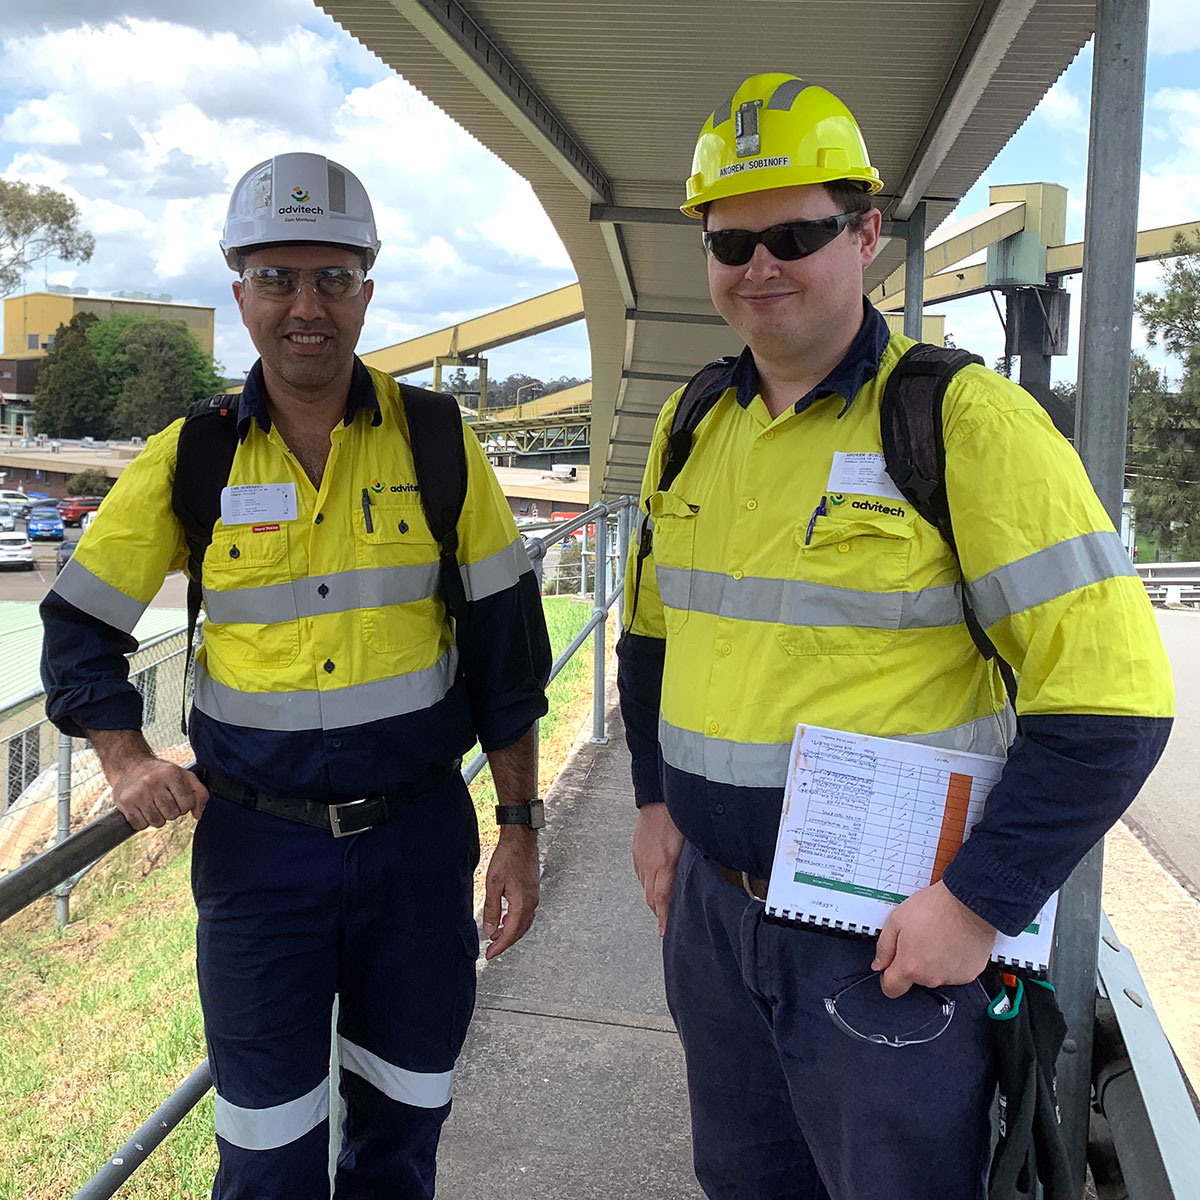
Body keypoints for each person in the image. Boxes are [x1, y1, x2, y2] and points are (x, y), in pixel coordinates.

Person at [617, 74, 1173, 1200]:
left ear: (866, 234)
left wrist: (977, 906)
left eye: (797, 233)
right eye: (731, 243)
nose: (760, 265)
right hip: (717, 924)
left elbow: (1113, 704)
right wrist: (653, 801)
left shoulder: (962, 423)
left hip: (885, 949)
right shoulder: (692, 425)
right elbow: (649, 637)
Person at [41, 152, 552, 1199]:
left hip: (416, 850)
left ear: (367, 287)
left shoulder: (442, 445)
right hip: (259, 860)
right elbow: (78, 625)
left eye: (331, 277)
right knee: (266, 1157)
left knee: (404, 1136)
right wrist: (126, 754)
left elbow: (507, 658)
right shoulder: (195, 457)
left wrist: (520, 830)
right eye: (277, 278)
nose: (305, 306)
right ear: (241, 293)